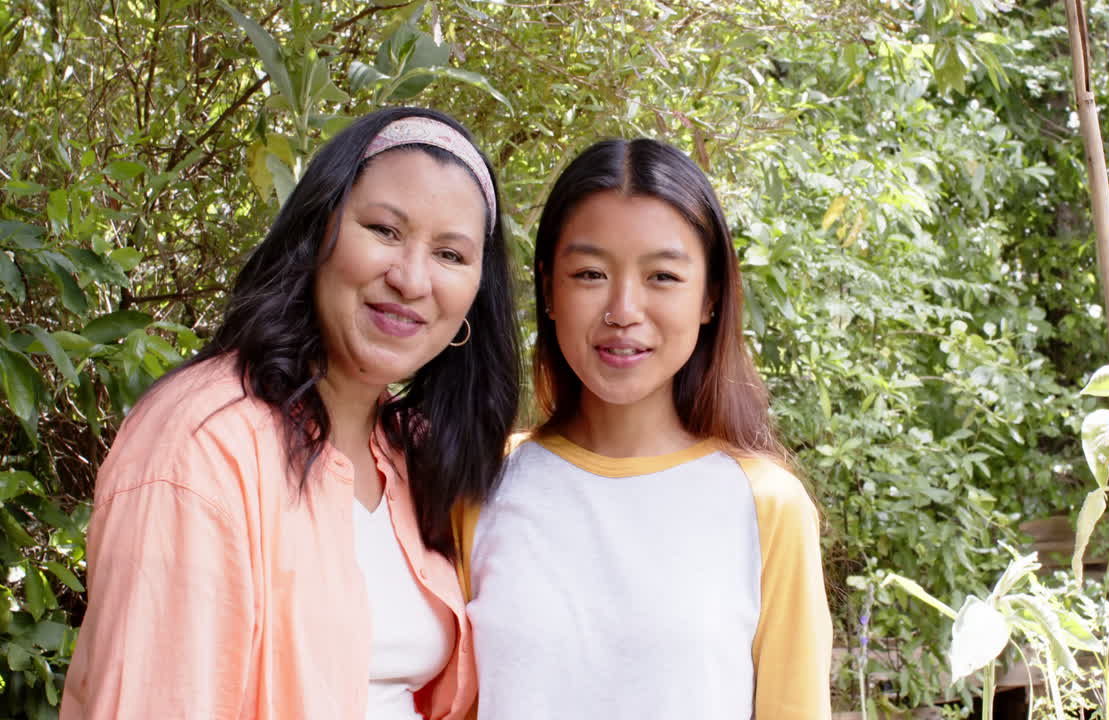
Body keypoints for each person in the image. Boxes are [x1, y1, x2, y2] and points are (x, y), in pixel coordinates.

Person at [62, 107, 520, 720]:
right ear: (318, 233)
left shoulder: (415, 454)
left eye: (450, 255)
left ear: (474, 296)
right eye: (384, 230)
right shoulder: (203, 442)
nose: (412, 279)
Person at [456, 138, 832, 719]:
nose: (623, 309)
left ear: (710, 297)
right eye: (589, 273)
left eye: (662, 276)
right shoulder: (483, 484)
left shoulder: (766, 506)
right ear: (549, 289)